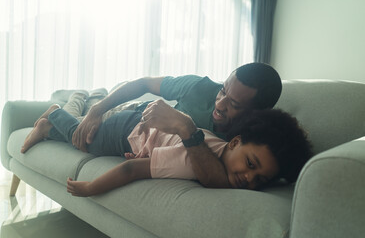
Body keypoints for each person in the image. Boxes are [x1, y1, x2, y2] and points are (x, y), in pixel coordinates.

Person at [21, 103, 312, 196]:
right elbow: (130, 169)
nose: (249, 179)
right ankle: (55, 117)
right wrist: (90, 188)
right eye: (250, 164)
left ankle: (49, 128)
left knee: (84, 141)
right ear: (234, 143)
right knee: (85, 142)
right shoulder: (193, 158)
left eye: (260, 179)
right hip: (130, 127)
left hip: (143, 130)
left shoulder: (219, 155)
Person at [68, 62, 283, 188]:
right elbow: (144, 83)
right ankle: (83, 99)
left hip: (144, 134)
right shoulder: (198, 88)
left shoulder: (249, 142)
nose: (220, 104)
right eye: (223, 91)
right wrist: (97, 111)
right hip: (133, 115)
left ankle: (93, 98)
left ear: (256, 114)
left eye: (234, 104)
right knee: (79, 125)